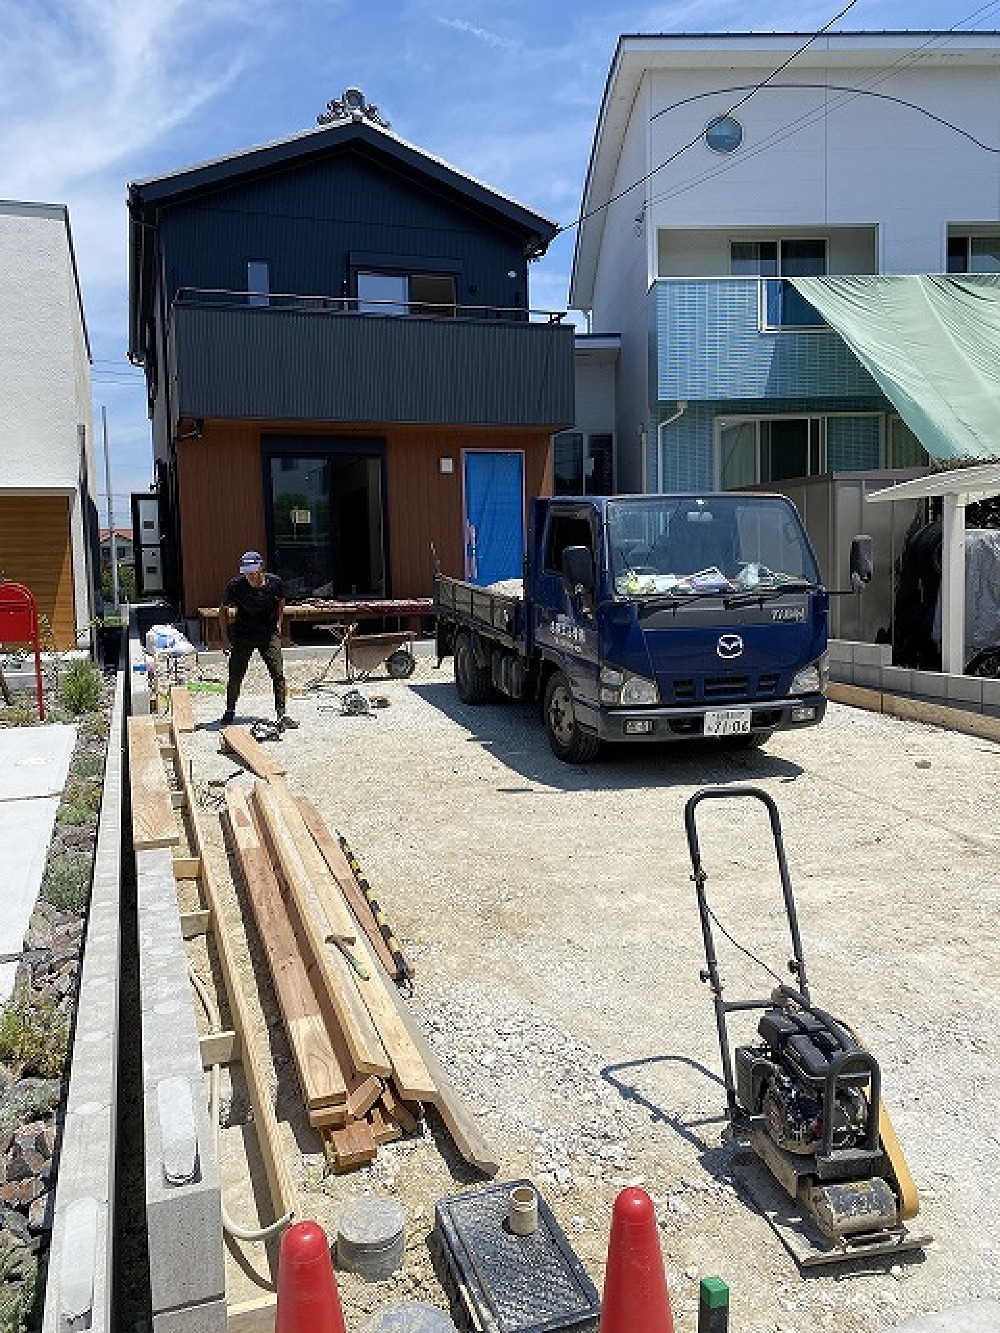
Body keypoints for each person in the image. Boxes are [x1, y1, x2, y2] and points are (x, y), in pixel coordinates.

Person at [218, 551, 299, 730]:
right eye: (247, 573)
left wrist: (278, 623)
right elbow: (222, 610)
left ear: (261, 567)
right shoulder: (235, 586)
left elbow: (281, 601)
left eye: (253, 572)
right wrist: (224, 638)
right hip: (243, 633)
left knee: (277, 673)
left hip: (267, 633)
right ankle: (230, 709)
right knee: (236, 675)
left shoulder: (274, 583)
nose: (250, 576)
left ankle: (282, 713)